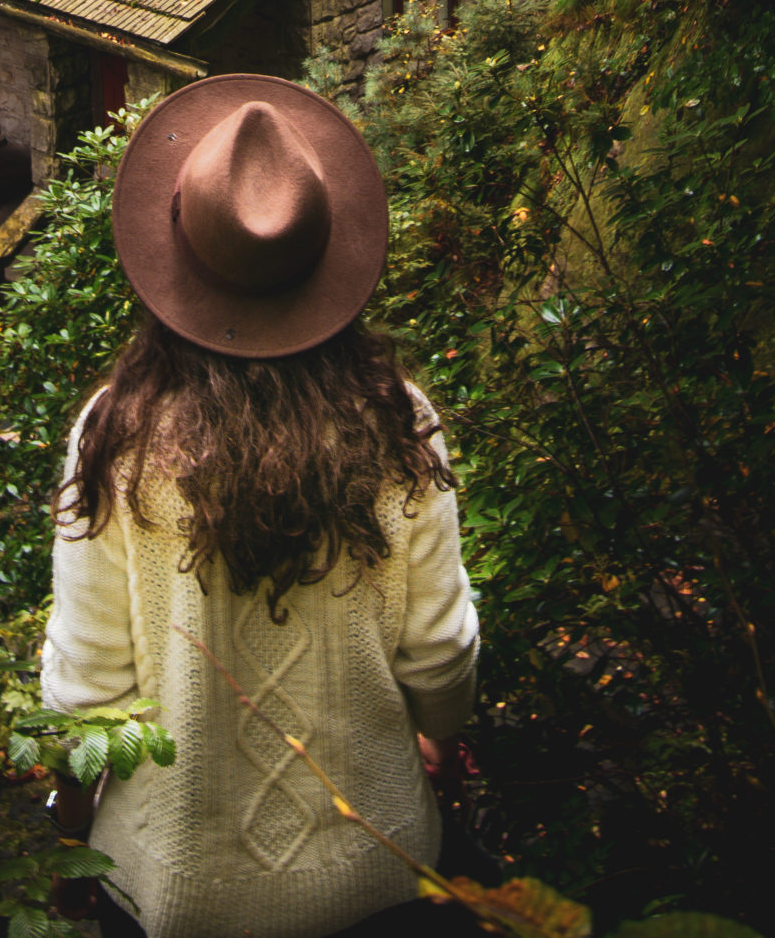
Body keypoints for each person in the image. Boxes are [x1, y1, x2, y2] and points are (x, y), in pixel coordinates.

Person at [41, 72, 480, 938]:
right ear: (327, 256)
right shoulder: (397, 421)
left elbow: (88, 684)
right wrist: (439, 735)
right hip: (378, 876)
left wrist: (69, 815)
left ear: (175, 261)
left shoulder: (119, 434)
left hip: (171, 886)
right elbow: (439, 647)